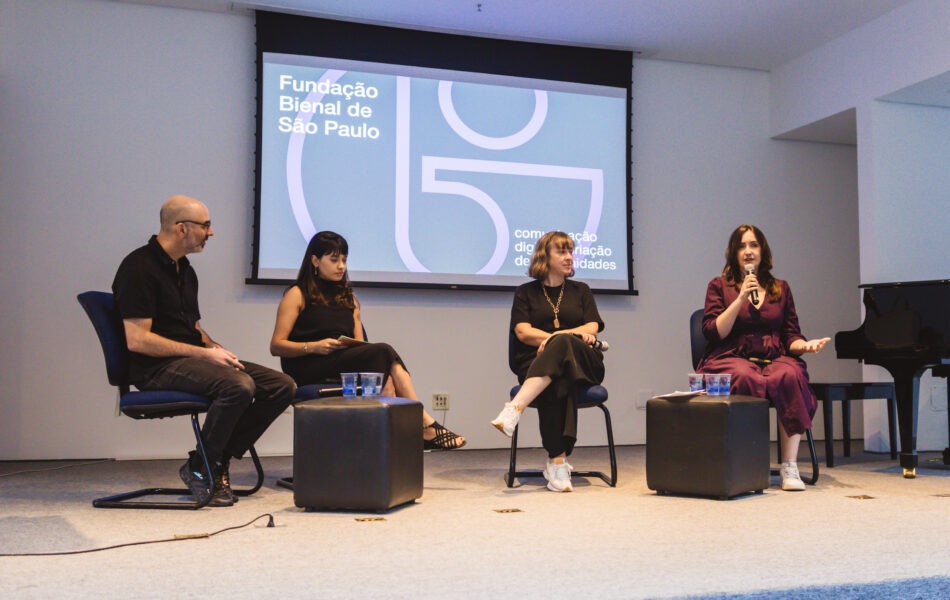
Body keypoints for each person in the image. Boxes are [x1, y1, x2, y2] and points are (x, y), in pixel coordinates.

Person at [112, 195, 296, 507]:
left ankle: (207, 461)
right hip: (153, 369)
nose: (211, 233)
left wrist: (215, 348)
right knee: (237, 386)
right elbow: (137, 340)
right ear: (181, 228)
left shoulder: (185, 270)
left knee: (281, 386)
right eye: (205, 225)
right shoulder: (138, 267)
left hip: (188, 360)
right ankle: (208, 467)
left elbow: (191, 329)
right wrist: (204, 355)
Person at [269, 231, 465, 450]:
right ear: (315, 260)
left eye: (344, 260)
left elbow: (360, 348)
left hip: (342, 367)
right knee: (383, 352)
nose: (341, 266)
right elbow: (276, 346)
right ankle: (421, 425)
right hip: (309, 365)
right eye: (334, 260)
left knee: (385, 371)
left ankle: (396, 440)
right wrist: (314, 346)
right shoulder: (297, 294)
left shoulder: (349, 298)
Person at [698, 224, 830, 491]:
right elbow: (713, 332)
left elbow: (791, 335)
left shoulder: (780, 288)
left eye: (754, 245)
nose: (748, 251)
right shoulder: (719, 285)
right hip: (731, 355)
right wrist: (740, 299)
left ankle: (789, 465)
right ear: (733, 252)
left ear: (763, 251)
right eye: (742, 246)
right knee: (745, 376)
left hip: (774, 357)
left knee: (790, 374)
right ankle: (747, 464)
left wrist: (806, 345)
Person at [490, 231, 606, 492]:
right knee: (557, 379)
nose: (569, 257)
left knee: (562, 345)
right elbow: (522, 332)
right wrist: (559, 339)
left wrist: (556, 339)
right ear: (545, 256)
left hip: (585, 362)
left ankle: (514, 409)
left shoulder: (581, 290)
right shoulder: (525, 293)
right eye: (561, 252)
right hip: (536, 364)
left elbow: (592, 326)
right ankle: (557, 461)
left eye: (570, 251)